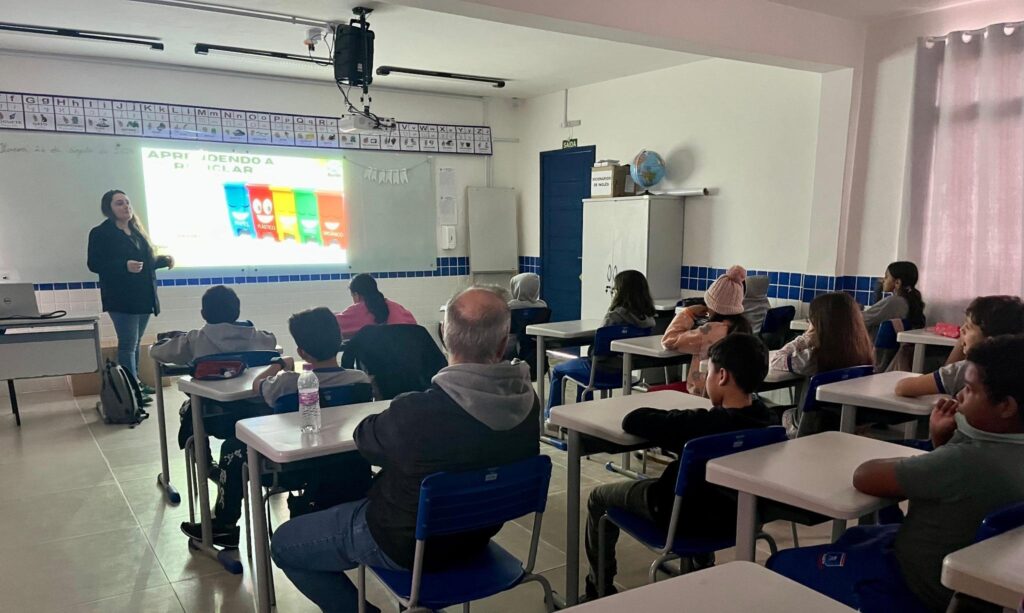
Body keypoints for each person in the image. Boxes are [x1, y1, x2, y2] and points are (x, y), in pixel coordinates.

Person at [271, 287, 540, 613]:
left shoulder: (417, 413)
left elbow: (365, 440)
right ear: (502, 344)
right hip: (476, 534)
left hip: (398, 541)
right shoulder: (529, 406)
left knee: (285, 544)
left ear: (444, 336)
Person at [767, 335, 1024, 612]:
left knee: (779, 565)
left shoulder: (968, 459)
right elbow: (953, 484)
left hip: (912, 584)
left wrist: (943, 449)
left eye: (970, 390)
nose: (959, 395)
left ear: (1006, 406)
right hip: (965, 588)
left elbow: (864, 476)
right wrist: (941, 440)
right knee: (856, 537)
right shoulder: (990, 454)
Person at [585, 333, 773, 600]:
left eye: (708, 372)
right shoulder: (770, 423)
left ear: (722, 377)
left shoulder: (701, 426)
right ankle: (702, 566)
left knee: (598, 499)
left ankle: (598, 588)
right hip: (741, 517)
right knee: (709, 491)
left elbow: (634, 419)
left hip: (677, 513)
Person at [179, 307, 369, 546]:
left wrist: (278, 365)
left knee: (232, 447)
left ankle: (224, 525)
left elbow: (259, 386)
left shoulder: (286, 383)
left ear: (302, 351)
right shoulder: (359, 379)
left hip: (291, 467)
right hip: (345, 463)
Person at [87, 189, 174, 391]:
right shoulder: (101, 233)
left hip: (143, 297)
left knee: (135, 343)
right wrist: (123, 265)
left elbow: (145, 262)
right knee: (127, 343)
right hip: (121, 298)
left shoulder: (136, 232)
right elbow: (94, 264)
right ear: (108, 208)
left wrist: (162, 260)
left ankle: (134, 383)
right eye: (119, 203)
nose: (125, 206)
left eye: (127, 202)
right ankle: (129, 387)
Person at [546, 269, 656, 413]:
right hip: (626, 371)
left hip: (601, 370)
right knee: (581, 368)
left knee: (560, 370)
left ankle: (551, 415)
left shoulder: (614, 317)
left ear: (620, 292)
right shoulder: (649, 321)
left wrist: (593, 350)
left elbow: (600, 352)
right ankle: (582, 413)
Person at [896, 295, 1024, 398]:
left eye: (967, 327)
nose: (961, 330)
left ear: (989, 341)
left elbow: (903, 387)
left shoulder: (969, 369)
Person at [662, 265, 752, 396]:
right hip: (732, 394)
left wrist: (687, 313)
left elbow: (669, 340)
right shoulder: (744, 328)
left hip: (703, 394)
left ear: (713, 306)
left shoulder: (709, 331)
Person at [150, 285, 277, 365]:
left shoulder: (192, 341)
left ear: (203, 314)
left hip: (209, 403)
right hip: (252, 399)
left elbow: (156, 352)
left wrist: (164, 341)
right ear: (238, 312)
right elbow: (273, 342)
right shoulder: (262, 338)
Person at [770, 292, 874, 377]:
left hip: (817, 402)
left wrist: (806, 337)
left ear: (821, 324)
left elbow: (776, 360)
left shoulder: (812, 358)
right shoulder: (864, 352)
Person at [335, 273, 416, 338]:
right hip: (405, 356)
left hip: (374, 357)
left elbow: (331, 325)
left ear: (356, 295)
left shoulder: (356, 311)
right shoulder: (398, 308)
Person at [862, 261, 925, 340]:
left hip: (874, 350)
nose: (883, 280)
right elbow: (878, 315)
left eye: (886, 276)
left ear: (897, 283)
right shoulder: (906, 300)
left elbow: (861, 321)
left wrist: (854, 309)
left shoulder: (894, 302)